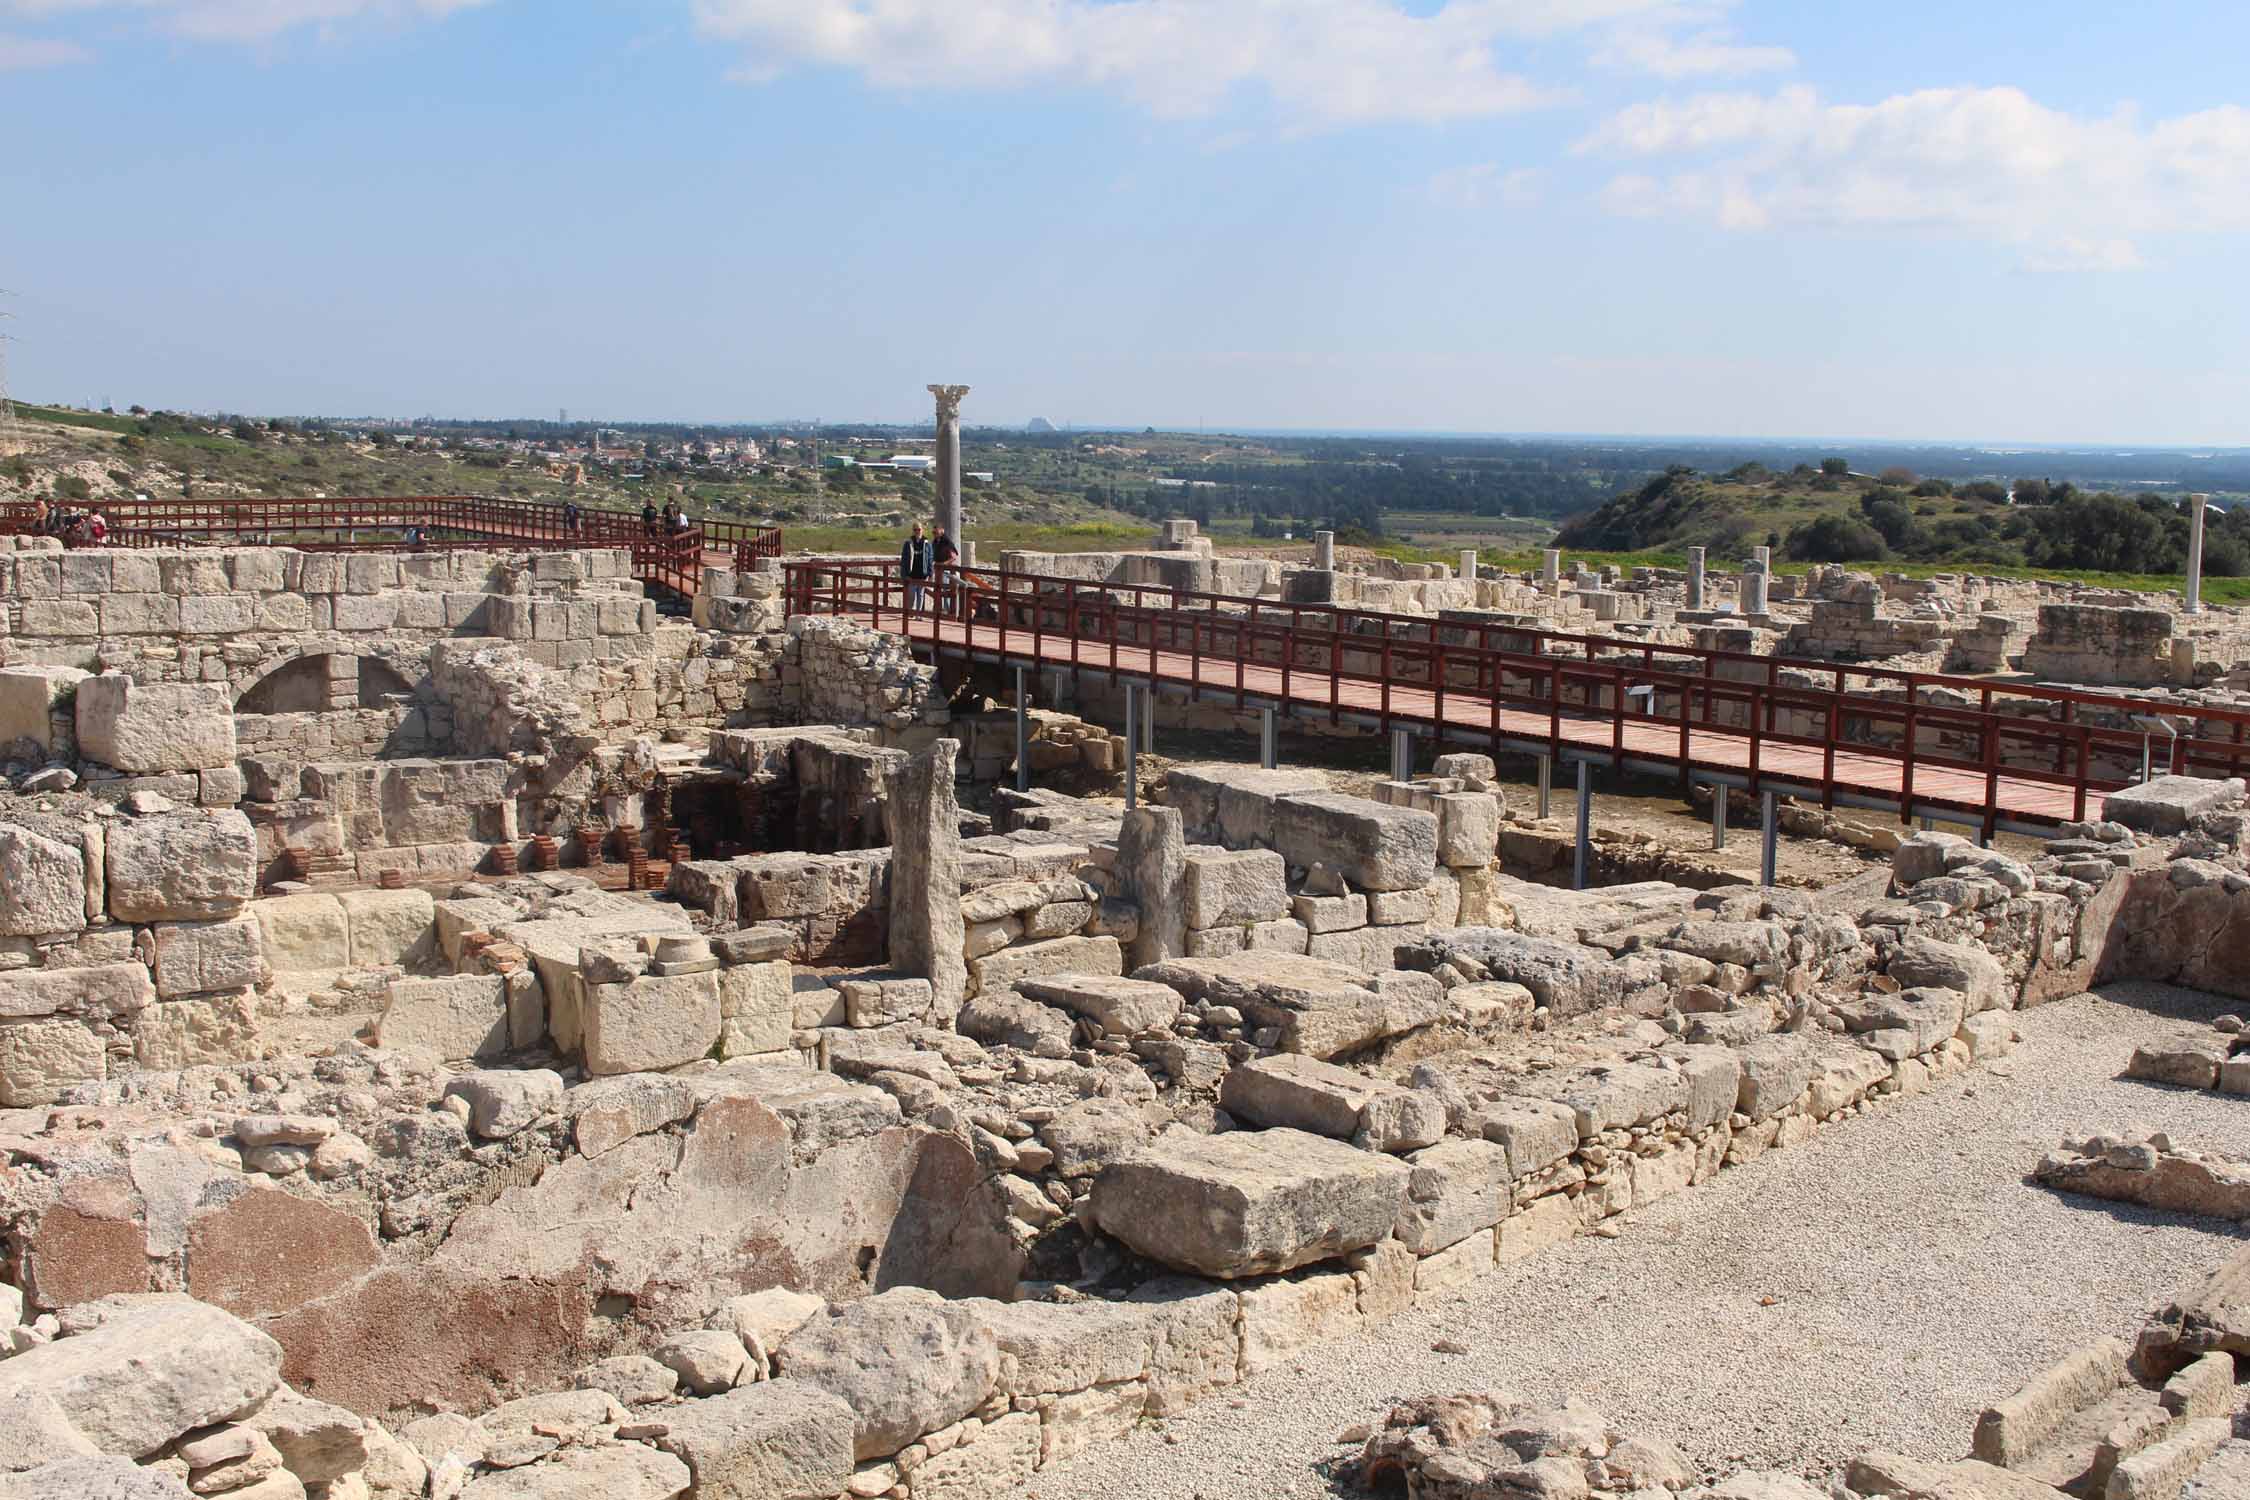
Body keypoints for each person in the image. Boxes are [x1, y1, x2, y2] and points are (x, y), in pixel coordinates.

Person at [901, 522, 932, 613]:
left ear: (922, 530)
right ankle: (911, 612)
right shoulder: (908, 543)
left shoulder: (927, 543)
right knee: (911, 594)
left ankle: (919, 614)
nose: (917, 531)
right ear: (913, 531)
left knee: (921, 595)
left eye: (919, 529)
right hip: (912, 574)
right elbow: (904, 559)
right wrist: (904, 574)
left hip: (923, 574)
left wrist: (930, 573)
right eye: (915, 530)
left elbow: (930, 558)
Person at [932, 524, 959, 614]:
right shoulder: (935, 542)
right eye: (933, 532)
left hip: (945, 570)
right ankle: (938, 608)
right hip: (937, 569)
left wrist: (944, 564)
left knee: (945, 589)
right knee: (937, 588)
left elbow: (954, 557)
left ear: (941, 531)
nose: (934, 534)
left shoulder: (947, 542)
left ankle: (946, 610)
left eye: (936, 532)